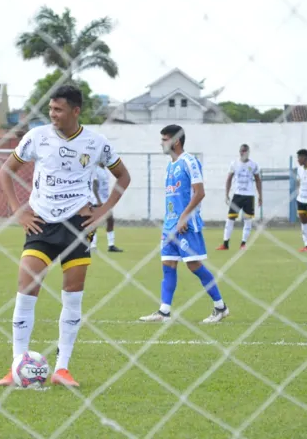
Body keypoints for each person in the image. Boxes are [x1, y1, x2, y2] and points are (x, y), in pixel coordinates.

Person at [0, 84, 131, 387]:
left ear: (75, 110)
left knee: (72, 296)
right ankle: (17, 365)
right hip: (41, 223)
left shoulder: (97, 143)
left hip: (77, 225)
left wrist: (103, 211)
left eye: (58, 109)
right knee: (26, 287)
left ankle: (62, 368)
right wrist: (18, 210)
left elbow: (123, 176)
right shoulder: (36, 137)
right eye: (51, 109)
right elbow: (6, 171)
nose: (52, 115)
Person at [139, 124, 229, 324]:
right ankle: (164, 311)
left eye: (164, 139)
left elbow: (200, 192)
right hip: (170, 225)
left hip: (186, 224)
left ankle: (220, 307)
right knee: (168, 265)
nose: (161, 143)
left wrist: (184, 217)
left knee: (194, 265)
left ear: (175, 141)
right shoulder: (171, 165)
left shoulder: (189, 161)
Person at [217, 144, 262, 250]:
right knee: (230, 219)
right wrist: (226, 193)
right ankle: (225, 243)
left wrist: (260, 196)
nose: (243, 153)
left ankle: (243, 243)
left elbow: (258, 180)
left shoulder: (253, 165)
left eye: (245, 151)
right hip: (237, 195)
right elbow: (229, 179)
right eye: (241, 151)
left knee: (248, 220)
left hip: (249, 196)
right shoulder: (234, 164)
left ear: (248, 152)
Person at [90, 163, 124, 253]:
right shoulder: (96, 169)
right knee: (95, 223)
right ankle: (92, 245)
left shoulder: (104, 170)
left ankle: (111, 245)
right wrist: (98, 200)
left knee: (110, 220)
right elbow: (94, 185)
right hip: (97, 201)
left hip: (105, 200)